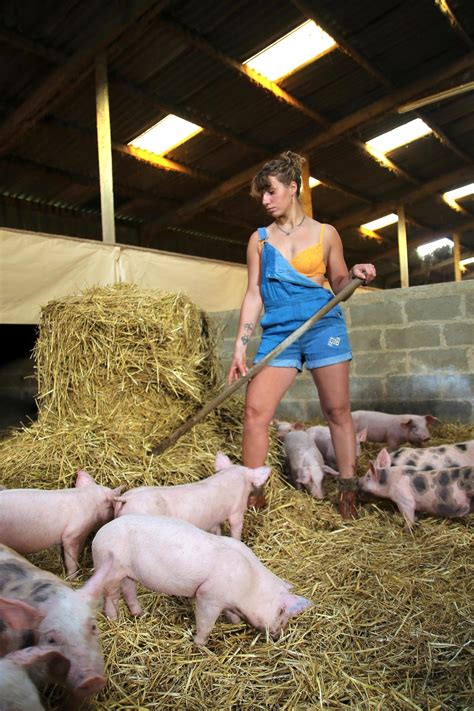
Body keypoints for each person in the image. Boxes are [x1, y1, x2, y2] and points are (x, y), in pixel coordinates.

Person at [227, 152, 376, 519]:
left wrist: (354, 274)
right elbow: (254, 294)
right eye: (261, 194)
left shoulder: (327, 234)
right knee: (254, 412)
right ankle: (254, 493)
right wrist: (240, 345)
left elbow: (339, 282)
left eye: (270, 192)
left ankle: (347, 491)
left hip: (322, 325)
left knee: (337, 410)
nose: (265, 200)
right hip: (280, 330)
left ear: (292, 188)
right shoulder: (258, 241)